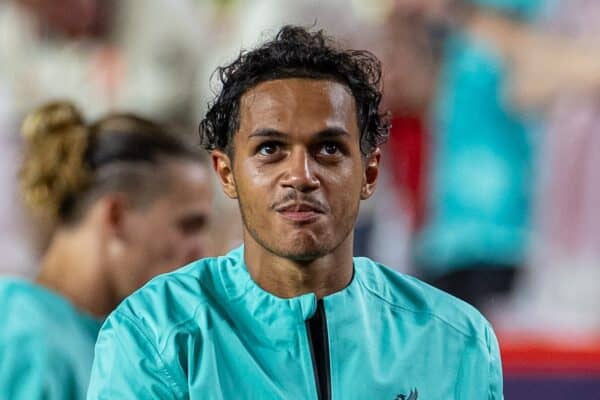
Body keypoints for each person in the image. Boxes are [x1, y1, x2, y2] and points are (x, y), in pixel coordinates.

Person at [87, 26, 503, 399]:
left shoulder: (454, 339)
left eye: (329, 148)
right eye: (270, 150)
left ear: (370, 172)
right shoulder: (155, 336)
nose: (301, 176)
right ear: (227, 173)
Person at [0, 101, 212, 399]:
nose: (202, 253)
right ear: (116, 216)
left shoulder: (115, 343)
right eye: (187, 226)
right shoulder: (22, 337)